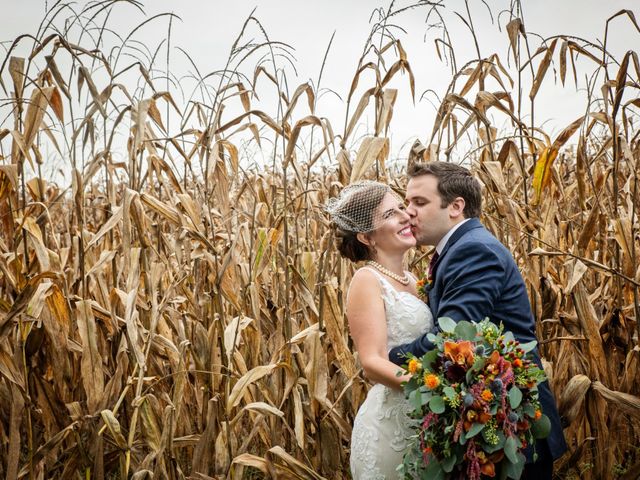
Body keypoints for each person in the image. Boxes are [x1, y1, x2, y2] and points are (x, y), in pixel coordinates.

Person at [387, 161, 568, 478]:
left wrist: (386, 354)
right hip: (488, 427)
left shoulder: (473, 251)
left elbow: (453, 338)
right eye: (406, 203)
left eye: (419, 202)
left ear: (456, 206)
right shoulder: (457, 249)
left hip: (511, 429)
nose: (408, 213)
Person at [325, 181, 434, 479]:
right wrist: (432, 392)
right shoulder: (367, 280)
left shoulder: (415, 280)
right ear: (366, 236)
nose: (404, 216)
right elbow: (372, 362)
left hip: (427, 422)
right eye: (390, 214)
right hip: (391, 426)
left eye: (402, 207)